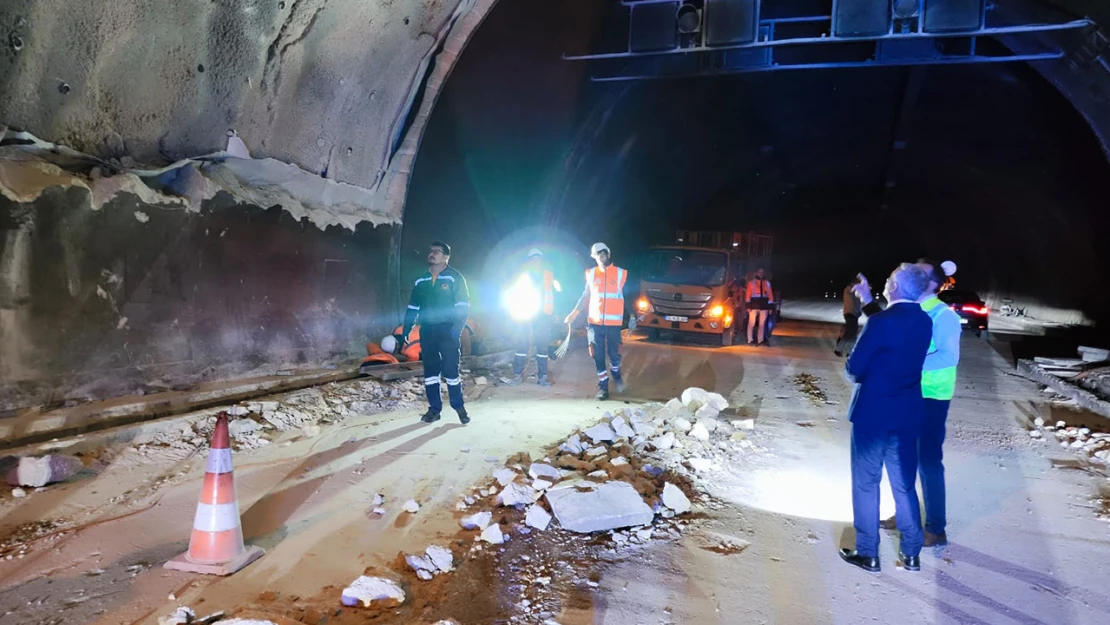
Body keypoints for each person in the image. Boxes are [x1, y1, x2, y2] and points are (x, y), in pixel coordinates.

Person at [855, 259, 960, 547]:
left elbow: (948, 357)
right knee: (902, 458)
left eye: (919, 271)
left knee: (927, 461)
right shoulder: (914, 309)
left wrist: (909, 365)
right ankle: (906, 516)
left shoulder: (942, 315)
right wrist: (866, 299)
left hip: (931, 396)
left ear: (932, 283)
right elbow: (887, 326)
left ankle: (936, 528)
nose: (912, 271)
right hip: (907, 393)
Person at [840, 263, 933, 573]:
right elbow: (894, 322)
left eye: (890, 278)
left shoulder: (880, 323)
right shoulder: (924, 321)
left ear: (892, 287)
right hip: (907, 413)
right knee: (904, 484)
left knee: (867, 483)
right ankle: (911, 553)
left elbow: (855, 368)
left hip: (873, 413)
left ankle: (868, 552)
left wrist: (854, 364)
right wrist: (868, 299)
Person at [402, 241, 471, 425]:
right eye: (431, 251)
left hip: (448, 330)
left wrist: (455, 331)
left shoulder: (455, 278)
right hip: (428, 331)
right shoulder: (421, 280)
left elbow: (463, 307)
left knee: (450, 371)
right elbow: (413, 307)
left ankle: (459, 408)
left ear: (446, 257)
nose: (432, 254)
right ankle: (434, 410)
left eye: (437, 252)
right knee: (431, 372)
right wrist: (407, 329)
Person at [565, 242, 627, 400]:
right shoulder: (591, 274)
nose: (600, 256)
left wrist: (632, 316)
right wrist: (574, 314)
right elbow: (585, 296)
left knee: (615, 356)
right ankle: (603, 387)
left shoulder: (620, 274)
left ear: (608, 253)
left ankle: (616, 374)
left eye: (602, 253)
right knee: (597, 355)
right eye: (597, 254)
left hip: (613, 324)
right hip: (594, 322)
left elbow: (628, 296)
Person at [511, 248, 561, 387]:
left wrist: (555, 312)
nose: (536, 261)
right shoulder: (522, 276)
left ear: (541, 260)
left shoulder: (549, 276)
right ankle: (517, 374)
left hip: (543, 315)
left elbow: (553, 295)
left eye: (538, 258)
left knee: (542, 346)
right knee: (522, 344)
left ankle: (543, 377)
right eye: (533, 258)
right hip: (525, 313)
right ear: (529, 261)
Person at [835, 277, 863, 357]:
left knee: (852, 333)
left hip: (853, 313)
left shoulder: (853, 290)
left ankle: (848, 351)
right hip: (850, 313)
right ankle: (839, 349)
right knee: (849, 333)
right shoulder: (849, 289)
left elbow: (857, 302)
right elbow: (854, 301)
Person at [745, 268, 774, 346]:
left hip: (764, 306)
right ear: (756, 273)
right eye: (759, 272)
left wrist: (770, 308)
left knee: (762, 324)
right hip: (753, 306)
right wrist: (748, 306)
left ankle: (760, 340)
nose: (761, 273)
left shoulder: (767, 283)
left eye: (762, 272)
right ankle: (750, 340)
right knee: (751, 323)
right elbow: (748, 296)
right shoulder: (751, 283)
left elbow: (770, 296)